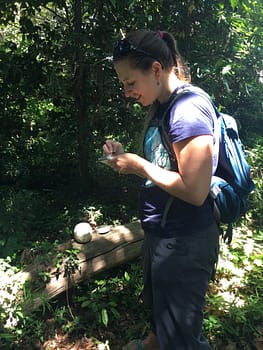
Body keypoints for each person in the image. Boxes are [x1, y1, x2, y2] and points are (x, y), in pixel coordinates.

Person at [102, 29, 220, 350]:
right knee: (161, 313)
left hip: (185, 241)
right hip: (162, 236)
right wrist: (124, 155)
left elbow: (195, 191)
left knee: (182, 338)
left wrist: (138, 165)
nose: (127, 92)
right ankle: (154, 343)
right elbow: (166, 165)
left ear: (155, 69)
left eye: (130, 83)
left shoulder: (187, 111)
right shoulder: (163, 106)